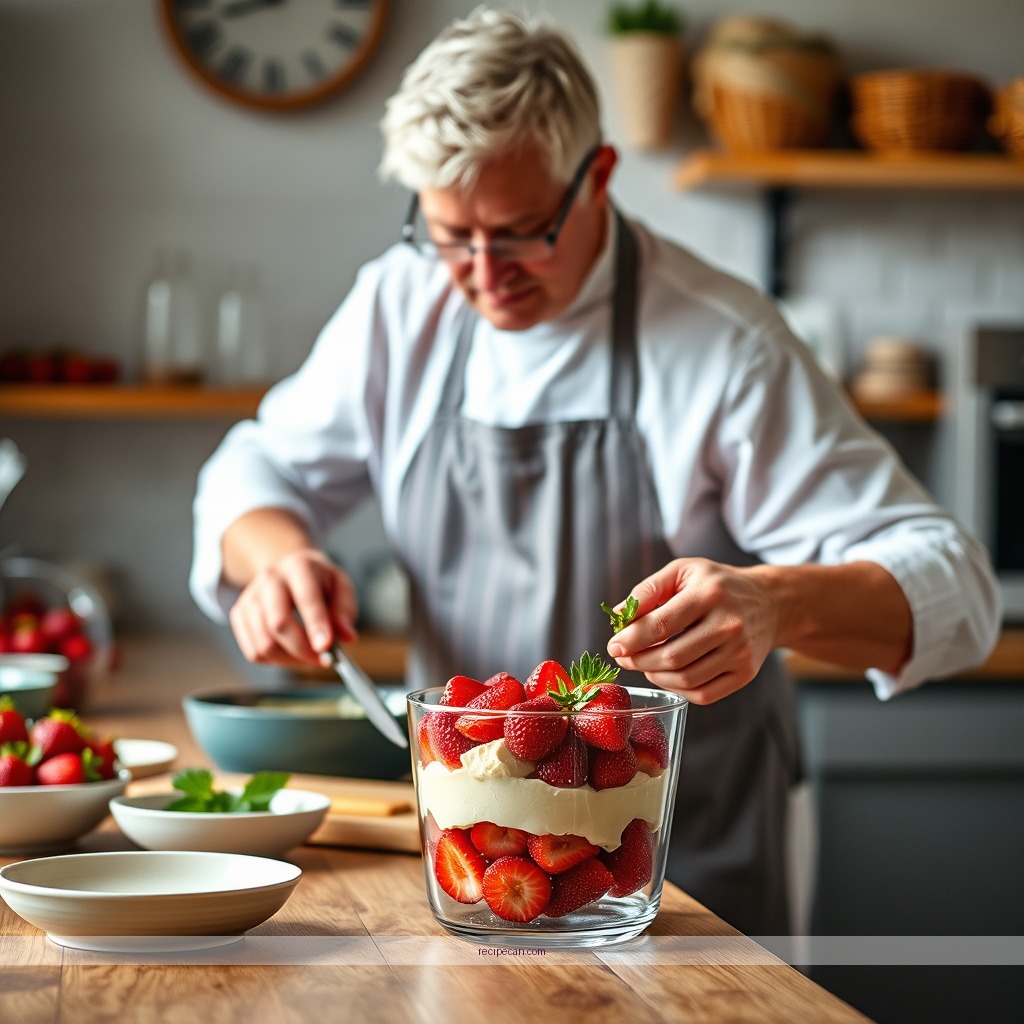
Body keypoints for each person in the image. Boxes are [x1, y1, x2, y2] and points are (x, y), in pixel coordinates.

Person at [190, 7, 1000, 936]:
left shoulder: (724, 343)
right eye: (452, 233)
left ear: (600, 176)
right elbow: (253, 470)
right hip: (476, 872)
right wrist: (279, 557)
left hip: (686, 877)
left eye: (523, 231)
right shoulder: (400, 301)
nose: (485, 272)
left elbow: (960, 589)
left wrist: (778, 603)